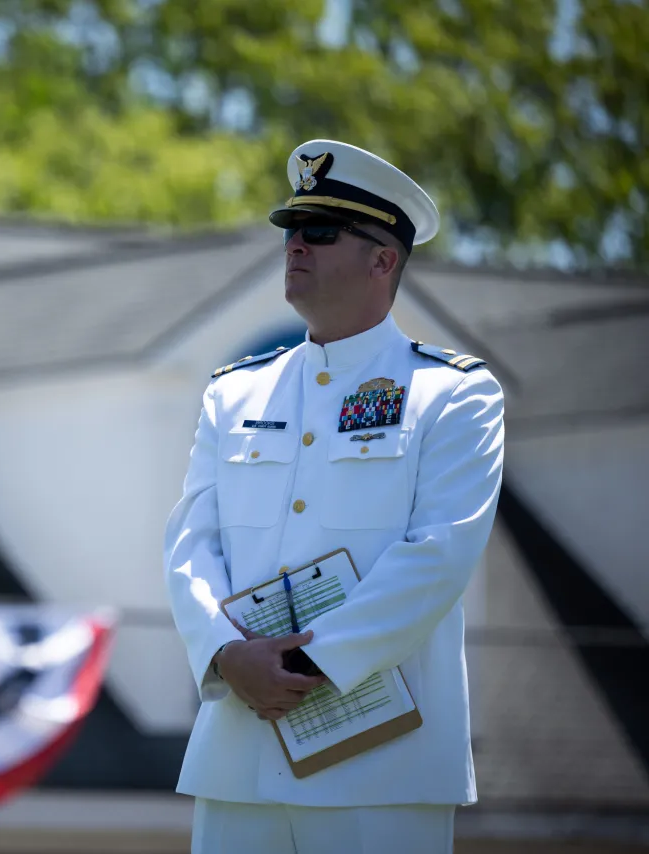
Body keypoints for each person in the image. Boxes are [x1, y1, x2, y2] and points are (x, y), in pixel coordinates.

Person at [163, 140, 506, 854]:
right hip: (240, 756)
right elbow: (192, 546)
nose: (295, 246)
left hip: (381, 764)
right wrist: (228, 656)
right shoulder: (235, 392)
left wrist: (308, 666)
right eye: (291, 228)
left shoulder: (456, 395)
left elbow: (438, 557)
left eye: (320, 232)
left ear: (384, 259)